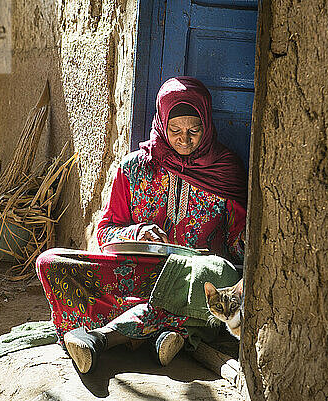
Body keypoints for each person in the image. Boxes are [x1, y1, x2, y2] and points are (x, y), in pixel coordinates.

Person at [36, 76, 247, 374]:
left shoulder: (226, 170)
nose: (184, 139)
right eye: (175, 130)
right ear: (161, 123)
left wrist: (242, 243)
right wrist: (136, 232)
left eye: (194, 130)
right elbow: (106, 232)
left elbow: (238, 247)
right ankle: (162, 334)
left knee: (216, 275)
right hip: (138, 272)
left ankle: (101, 337)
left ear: (207, 125)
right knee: (50, 262)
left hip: (192, 282)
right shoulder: (134, 168)